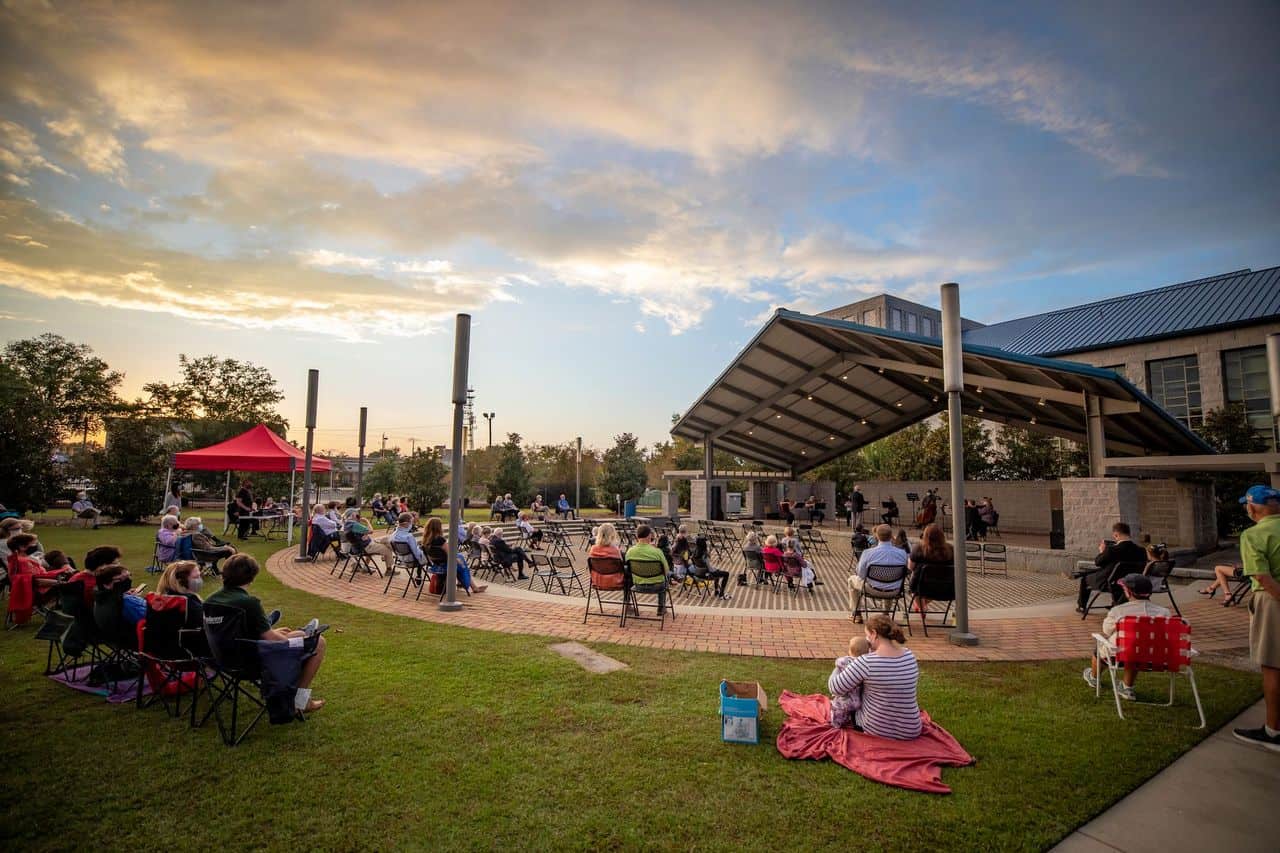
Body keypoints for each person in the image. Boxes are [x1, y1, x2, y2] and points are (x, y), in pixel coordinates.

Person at [206, 554, 327, 714]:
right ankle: (300, 701)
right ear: (251, 578)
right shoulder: (248, 603)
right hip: (253, 663)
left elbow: (234, 633)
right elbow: (272, 640)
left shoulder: (210, 600)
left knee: (296, 633)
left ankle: (303, 632)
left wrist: (282, 634)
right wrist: (295, 640)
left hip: (224, 660)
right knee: (318, 642)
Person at [1231, 485, 1280, 751]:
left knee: (1272, 665)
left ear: (1251, 508)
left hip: (1272, 601)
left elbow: (1261, 575)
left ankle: (1273, 732)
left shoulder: (1253, 535)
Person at [827, 615, 921, 739]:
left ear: (874, 634)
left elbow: (835, 688)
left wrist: (841, 664)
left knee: (846, 699)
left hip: (877, 729)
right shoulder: (909, 656)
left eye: (867, 635)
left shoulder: (865, 662)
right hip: (911, 729)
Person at [1081, 573, 1170, 699]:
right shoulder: (1164, 612)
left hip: (1121, 657)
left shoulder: (1119, 611)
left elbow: (1106, 630)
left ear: (1128, 592)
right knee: (1138, 647)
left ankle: (1094, 677)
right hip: (1154, 658)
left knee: (1103, 647)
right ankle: (1127, 687)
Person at [1078, 522, 1147, 613]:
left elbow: (1098, 562)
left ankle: (1082, 606)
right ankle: (1115, 604)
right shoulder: (1141, 550)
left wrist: (1102, 551)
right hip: (1132, 582)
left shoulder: (1112, 550)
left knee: (1084, 579)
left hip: (1111, 582)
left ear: (1116, 535)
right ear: (1129, 534)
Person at [848, 524, 909, 621]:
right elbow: (907, 572)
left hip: (872, 589)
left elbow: (860, 574)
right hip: (894, 591)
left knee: (851, 580)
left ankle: (857, 613)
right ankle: (885, 613)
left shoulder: (868, 553)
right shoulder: (902, 553)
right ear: (891, 536)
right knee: (889, 581)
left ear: (876, 536)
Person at [421, 516, 486, 594]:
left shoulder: (425, 540)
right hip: (446, 565)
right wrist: (459, 561)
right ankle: (473, 587)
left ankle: (466, 585)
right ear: (438, 527)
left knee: (461, 563)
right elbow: (450, 554)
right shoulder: (440, 540)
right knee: (462, 565)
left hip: (435, 564)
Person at [908, 523, 953, 614]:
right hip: (946, 588)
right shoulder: (950, 549)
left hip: (921, 587)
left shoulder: (919, 548)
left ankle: (922, 607)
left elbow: (911, 567)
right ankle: (922, 605)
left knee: (916, 577)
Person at [828, 634, 871, 727]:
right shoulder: (867, 663)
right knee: (852, 710)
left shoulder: (845, 661)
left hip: (845, 697)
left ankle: (837, 722)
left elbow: (838, 663)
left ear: (850, 651)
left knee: (838, 708)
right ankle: (851, 719)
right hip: (858, 699)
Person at [155, 559, 205, 628]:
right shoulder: (190, 603)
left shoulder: (159, 600)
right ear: (182, 581)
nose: (199, 580)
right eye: (196, 577)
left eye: (199, 576)